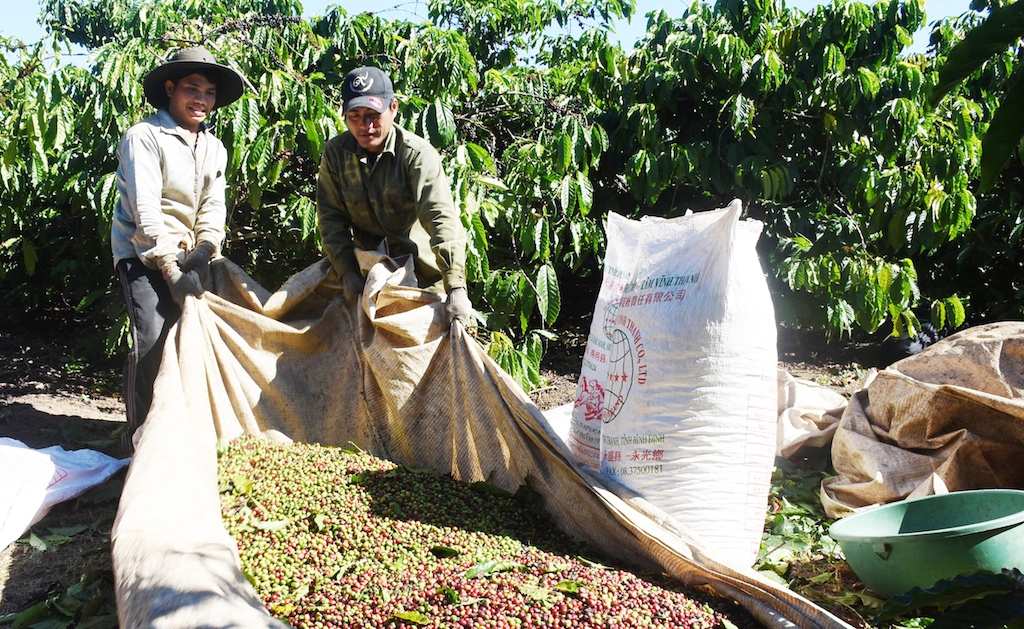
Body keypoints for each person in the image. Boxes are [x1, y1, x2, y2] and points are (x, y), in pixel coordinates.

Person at [110, 46, 245, 453]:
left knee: (194, 340)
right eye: (191, 89)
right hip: (141, 255)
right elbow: (146, 211)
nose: (200, 99)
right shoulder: (144, 136)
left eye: (208, 92)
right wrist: (169, 272)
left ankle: (183, 435)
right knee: (151, 339)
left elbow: (212, 207)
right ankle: (140, 440)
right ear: (170, 89)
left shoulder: (213, 147)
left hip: (191, 255)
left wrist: (203, 254)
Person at [316, 65, 472, 324]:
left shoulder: (416, 154)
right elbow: (331, 220)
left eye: (373, 114)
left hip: (421, 276)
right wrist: (348, 275)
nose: (365, 126)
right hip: (366, 271)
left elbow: (440, 218)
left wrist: (456, 287)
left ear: (393, 108)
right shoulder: (336, 153)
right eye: (354, 116)